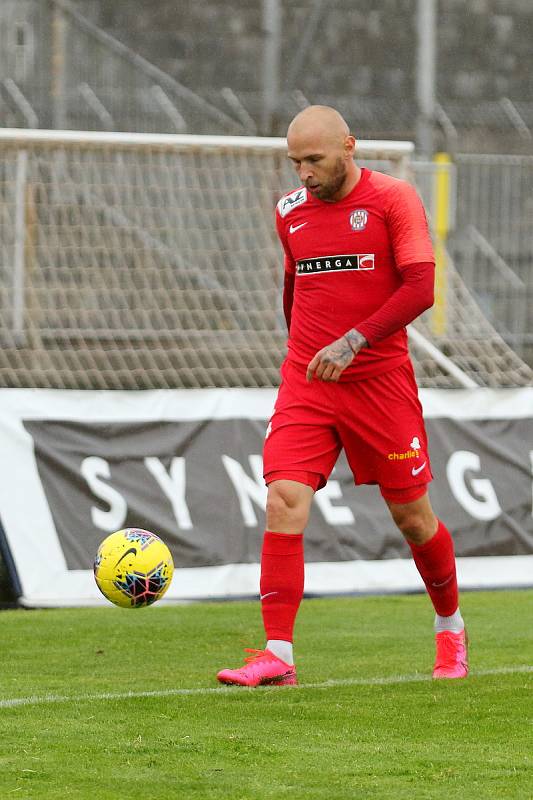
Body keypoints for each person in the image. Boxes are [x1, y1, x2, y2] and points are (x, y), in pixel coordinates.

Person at [217, 105, 467, 687]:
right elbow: (294, 286)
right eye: (295, 162)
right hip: (310, 380)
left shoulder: (394, 200)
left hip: (380, 383)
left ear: (349, 146)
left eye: (314, 159)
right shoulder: (289, 213)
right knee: (284, 499)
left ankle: (450, 628)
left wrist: (354, 341)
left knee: (413, 518)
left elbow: (422, 288)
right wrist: (303, 356)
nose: (303, 172)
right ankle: (277, 654)